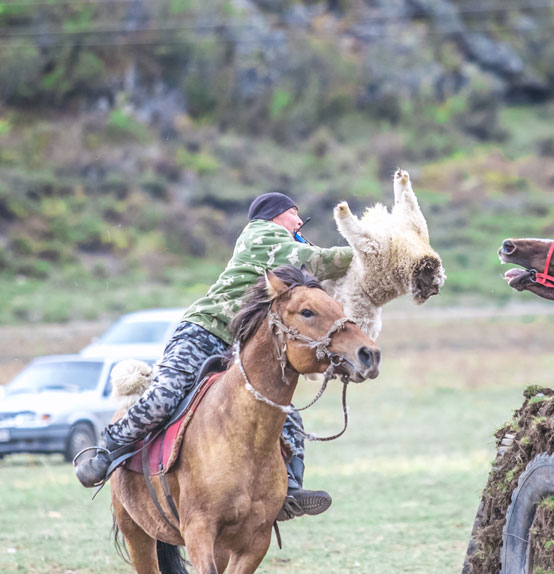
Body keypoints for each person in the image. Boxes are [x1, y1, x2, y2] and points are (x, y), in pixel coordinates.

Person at [75, 192, 354, 521]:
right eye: (295, 215)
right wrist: (369, 252)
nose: (298, 222)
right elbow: (319, 261)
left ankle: (289, 488)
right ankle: (106, 451)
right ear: (278, 215)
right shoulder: (262, 234)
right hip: (201, 331)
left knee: (283, 412)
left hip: (237, 347)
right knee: (165, 396)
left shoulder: (285, 252)